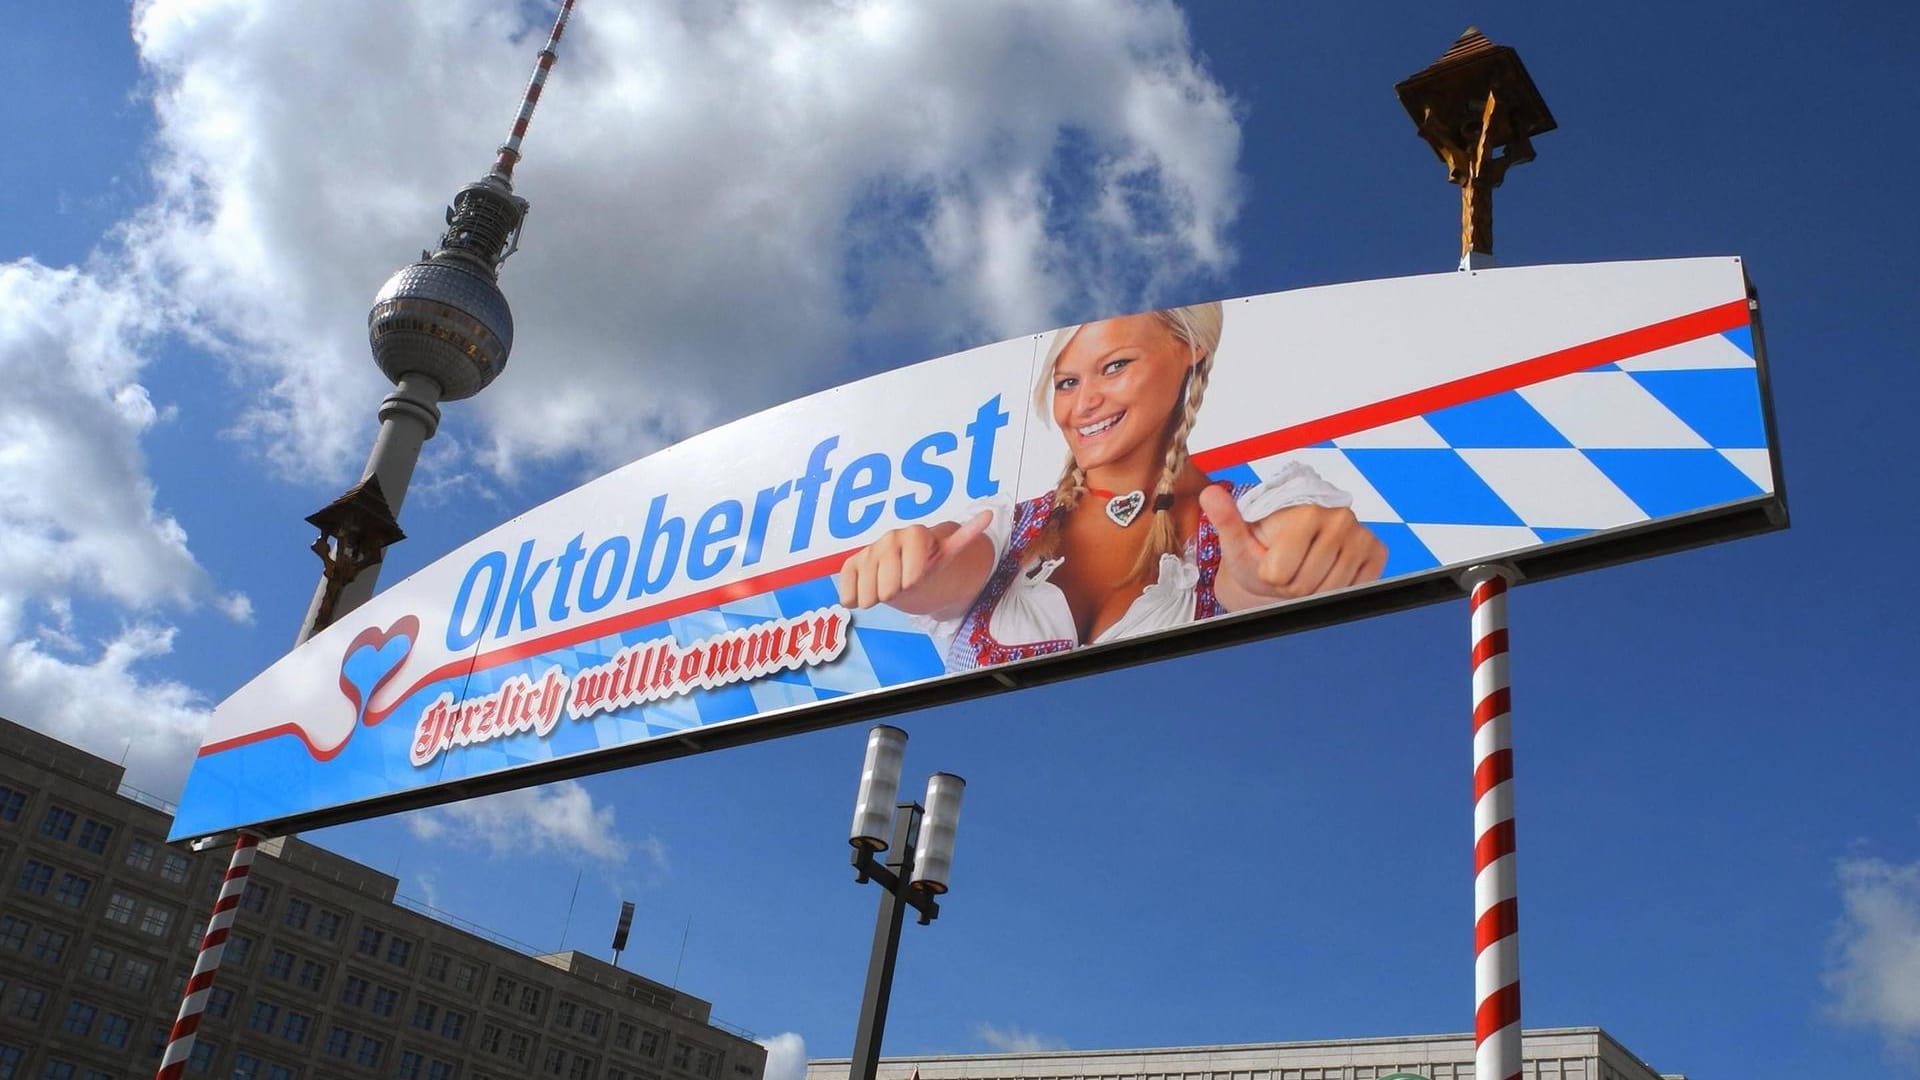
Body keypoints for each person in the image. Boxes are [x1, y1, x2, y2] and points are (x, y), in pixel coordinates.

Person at [835, 303, 1387, 671]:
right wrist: (909, 569)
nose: (1085, 403)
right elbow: (951, 570)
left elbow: (1268, 558)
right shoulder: (1010, 531)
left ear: (1188, 350)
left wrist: (1283, 571)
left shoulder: (1244, 517)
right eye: (1068, 382)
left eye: (1115, 366)